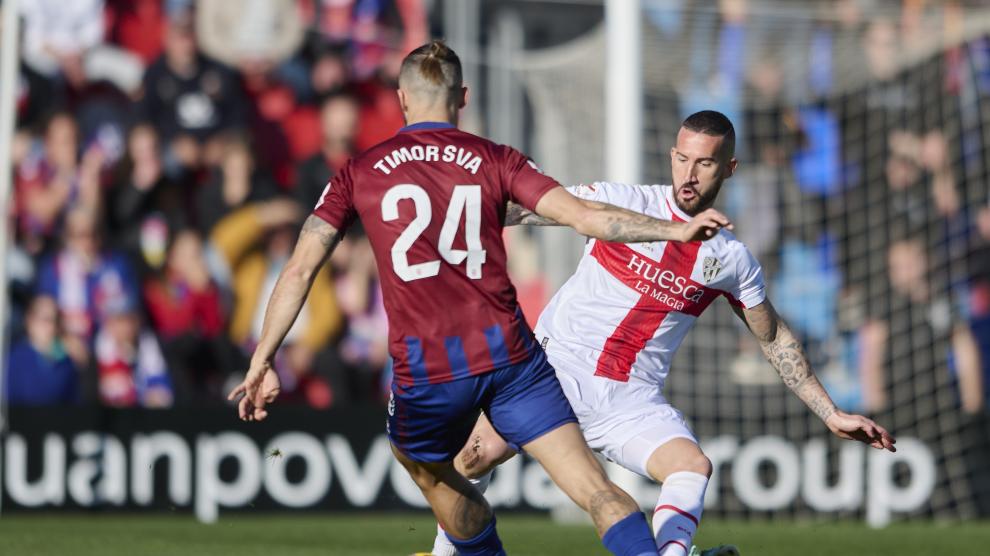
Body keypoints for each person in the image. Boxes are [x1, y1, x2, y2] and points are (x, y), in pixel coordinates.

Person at [227, 40, 732, 556]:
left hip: (429, 369)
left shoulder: (361, 170)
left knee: (434, 476)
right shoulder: (497, 159)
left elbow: (299, 269)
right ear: (462, 97)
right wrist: (675, 229)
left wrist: (262, 360)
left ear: (402, 98)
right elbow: (585, 216)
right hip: (512, 359)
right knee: (596, 489)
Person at [432, 111, 897, 556]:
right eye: (682, 158)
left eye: (705, 162)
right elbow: (526, 210)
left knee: (692, 467)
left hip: (630, 401)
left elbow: (773, 337)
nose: (689, 174)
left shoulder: (731, 259)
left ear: (729, 168)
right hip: (553, 375)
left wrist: (829, 412)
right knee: (473, 457)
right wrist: (462, 209)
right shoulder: (622, 203)